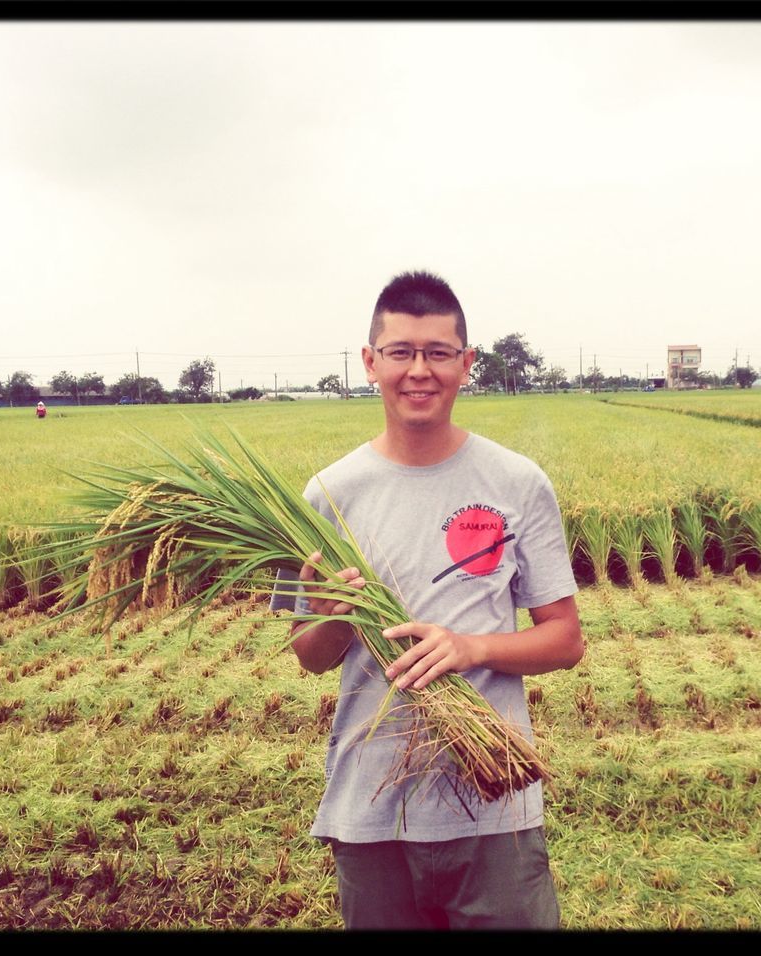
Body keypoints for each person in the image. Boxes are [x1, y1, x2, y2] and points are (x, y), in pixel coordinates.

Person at [271, 270, 584, 930]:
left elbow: (565, 639)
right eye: (401, 352)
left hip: (493, 805)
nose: (420, 370)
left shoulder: (517, 483)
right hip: (371, 809)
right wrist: (332, 616)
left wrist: (471, 648)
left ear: (466, 364)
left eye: (439, 353)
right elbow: (310, 657)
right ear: (370, 363)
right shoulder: (326, 496)